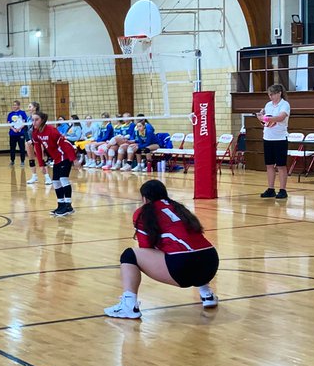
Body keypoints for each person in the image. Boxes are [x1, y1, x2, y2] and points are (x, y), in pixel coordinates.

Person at [103, 179, 219, 319]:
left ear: (144, 198)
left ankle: (128, 305)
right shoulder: (179, 208)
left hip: (182, 266)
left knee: (129, 255)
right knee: (192, 250)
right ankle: (207, 294)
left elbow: (146, 248)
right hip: (211, 261)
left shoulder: (143, 212)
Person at [30, 112, 77, 216]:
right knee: (55, 182)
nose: (34, 122)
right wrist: (42, 164)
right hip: (56, 158)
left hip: (65, 155)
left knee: (63, 179)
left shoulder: (52, 130)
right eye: (32, 120)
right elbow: (37, 149)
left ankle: (68, 206)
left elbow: (65, 144)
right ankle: (61, 205)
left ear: (42, 120)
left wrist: (74, 159)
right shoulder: (35, 132)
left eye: (36, 119)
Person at [259, 84, 291, 199]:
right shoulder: (268, 105)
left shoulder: (284, 105)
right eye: (269, 94)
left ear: (279, 93)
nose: (270, 97)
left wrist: (267, 118)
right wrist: (261, 118)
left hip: (280, 138)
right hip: (268, 138)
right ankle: (271, 188)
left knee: (281, 165)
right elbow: (265, 121)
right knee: (269, 165)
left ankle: (283, 189)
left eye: (272, 94)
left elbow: (281, 117)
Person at [25, 100, 52, 186]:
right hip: (29, 140)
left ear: (35, 108)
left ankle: (47, 177)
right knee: (31, 158)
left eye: (30, 106)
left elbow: (42, 128)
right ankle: (34, 176)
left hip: (38, 139)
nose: (28, 108)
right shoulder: (28, 118)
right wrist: (28, 139)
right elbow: (26, 130)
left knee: (41, 158)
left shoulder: (40, 117)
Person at [6, 100, 28, 167]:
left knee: (22, 147)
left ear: (18, 106)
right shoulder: (10, 114)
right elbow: (8, 123)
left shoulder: (22, 113)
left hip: (21, 133)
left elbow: (25, 122)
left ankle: (22, 161)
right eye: (13, 105)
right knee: (12, 148)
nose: (14, 106)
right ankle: (12, 161)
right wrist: (13, 129)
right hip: (12, 134)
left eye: (15, 105)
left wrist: (19, 129)